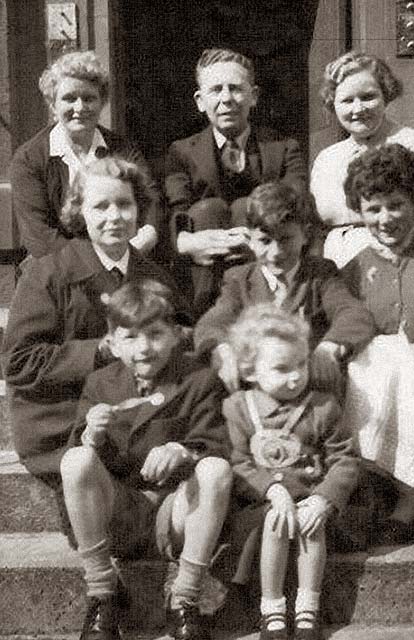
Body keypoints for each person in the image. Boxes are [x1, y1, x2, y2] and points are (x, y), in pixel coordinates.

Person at [61, 279, 231, 640]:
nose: (144, 348)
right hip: (120, 512)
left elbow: (216, 444)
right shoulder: (100, 383)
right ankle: (102, 595)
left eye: (154, 334)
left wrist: (182, 450)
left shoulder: (198, 380)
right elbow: (84, 469)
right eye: (130, 337)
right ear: (112, 342)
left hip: (177, 514)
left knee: (215, 470)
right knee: (75, 460)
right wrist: (92, 435)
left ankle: (184, 598)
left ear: (175, 334)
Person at [2, 155, 182, 481]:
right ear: (79, 212)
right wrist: (98, 351)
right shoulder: (47, 274)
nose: (114, 217)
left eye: (124, 205)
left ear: (139, 210)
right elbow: (17, 362)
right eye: (100, 207)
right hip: (63, 423)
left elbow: (182, 331)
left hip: (135, 420)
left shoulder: (153, 276)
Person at [223, 304, 359, 640]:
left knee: (311, 526)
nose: (296, 376)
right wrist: (272, 489)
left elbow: (345, 458)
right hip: (262, 503)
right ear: (251, 371)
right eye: (282, 369)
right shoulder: (239, 407)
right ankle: (272, 611)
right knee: (276, 520)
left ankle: (307, 610)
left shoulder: (322, 406)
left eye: (301, 364)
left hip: (310, 497)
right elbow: (239, 462)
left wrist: (324, 500)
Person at [341, 142, 414, 547]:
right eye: (373, 209)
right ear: (360, 212)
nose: (385, 218)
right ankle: (396, 497)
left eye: (395, 205)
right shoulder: (357, 268)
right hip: (389, 382)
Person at [194, 181, 375, 395]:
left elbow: (352, 313)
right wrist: (221, 349)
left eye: (285, 239)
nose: (275, 252)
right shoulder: (239, 279)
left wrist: (330, 347)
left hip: (310, 387)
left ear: (305, 235)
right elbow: (213, 322)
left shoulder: (320, 274)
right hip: (258, 393)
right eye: (265, 240)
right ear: (250, 239)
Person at [165, 47, 306, 316]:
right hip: (204, 266)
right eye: (216, 90)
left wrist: (255, 238)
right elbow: (176, 209)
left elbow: (295, 202)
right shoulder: (181, 151)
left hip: (265, 257)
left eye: (236, 89)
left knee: (247, 207)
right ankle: (202, 316)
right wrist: (189, 241)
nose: (226, 99)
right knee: (208, 210)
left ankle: (266, 315)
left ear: (253, 96)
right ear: (199, 100)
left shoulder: (284, 147)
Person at [10, 50, 161, 260]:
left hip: (123, 258)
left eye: (89, 98)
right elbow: (40, 237)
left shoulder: (123, 150)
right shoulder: (28, 159)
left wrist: (145, 237)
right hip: (57, 266)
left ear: (102, 102)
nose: (80, 108)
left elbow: (150, 201)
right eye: (69, 99)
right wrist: (99, 263)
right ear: (53, 105)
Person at [310, 50, 414, 268]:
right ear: (333, 104)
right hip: (338, 270)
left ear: (385, 95)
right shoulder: (326, 159)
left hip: (405, 263)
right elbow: (316, 227)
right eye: (347, 101)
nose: (358, 109)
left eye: (368, 97)